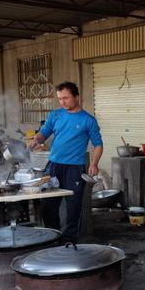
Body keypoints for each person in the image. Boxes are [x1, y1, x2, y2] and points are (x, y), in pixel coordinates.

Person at [30, 81, 103, 243]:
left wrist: (94, 163)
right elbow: (44, 133)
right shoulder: (55, 115)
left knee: (73, 207)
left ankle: (69, 241)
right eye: (60, 98)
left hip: (75, 169)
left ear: (76, 97)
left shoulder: (88, 120)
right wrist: (37, 140)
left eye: (66, 98)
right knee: (48, 205)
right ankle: (52, 237)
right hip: (53, 166)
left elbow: (98, 145)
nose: (62, 102)